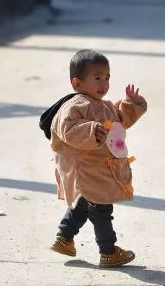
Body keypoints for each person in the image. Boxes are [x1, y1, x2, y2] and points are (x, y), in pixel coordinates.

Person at [49, 50, 147, 267]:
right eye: (97, 78)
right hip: (87, 169)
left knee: (83, 204)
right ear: (77, 82)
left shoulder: (103, 105)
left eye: (107, 77)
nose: (104, 83)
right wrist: (92, 130)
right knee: (102, 210)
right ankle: (109, 252)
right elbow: (68, 129)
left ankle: (64, 238)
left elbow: (119, 120)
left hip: (100, 169)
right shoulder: (75, 105)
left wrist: (133, 104)